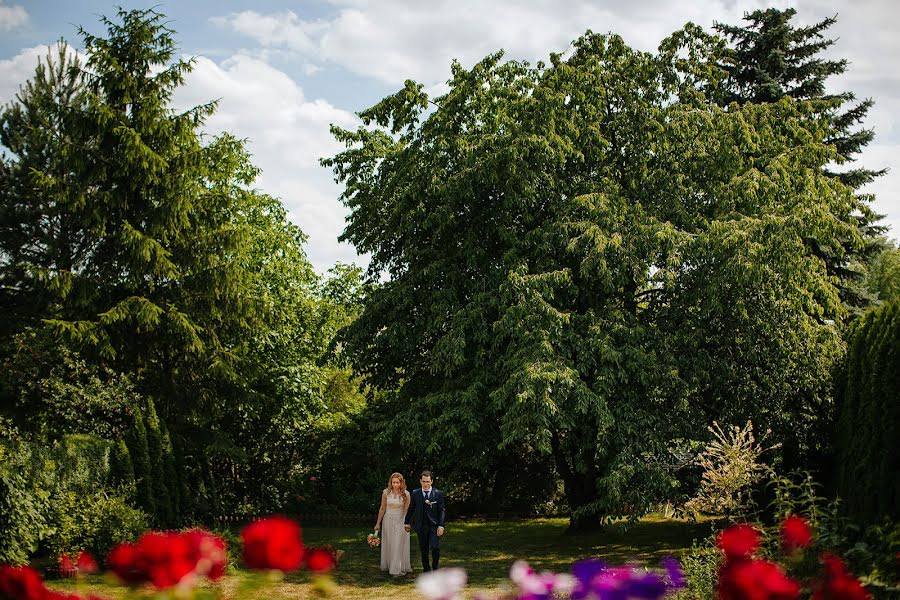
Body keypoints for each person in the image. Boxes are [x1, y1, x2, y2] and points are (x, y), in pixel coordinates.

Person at [404, 470, 446, 572]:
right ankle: (426, 569)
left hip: (434, 525)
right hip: (421, 525)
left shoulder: (438, 494)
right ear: (420, 481)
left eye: (428, 481)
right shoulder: (415, 493)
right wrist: (407, 522)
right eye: (424, 481)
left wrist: (441, 525)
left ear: (431, 481)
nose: (426, 484)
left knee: (435, 548)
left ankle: (435, 568)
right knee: (424, 549)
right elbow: (411, 508)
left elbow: (442, 510)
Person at [374, 472, 411, 577]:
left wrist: (406, 524)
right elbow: (382, 508)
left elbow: (407, 511)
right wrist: (378, 523)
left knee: (397, 543)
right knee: (390, 543)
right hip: (388, 520)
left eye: (397, 482)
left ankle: (396, 569)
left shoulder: (406, 494)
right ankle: (390, 565)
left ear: (401, 483)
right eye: (393, 482)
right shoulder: (386, 493)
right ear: (390, 482)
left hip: (400, 521)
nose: (395, 485)